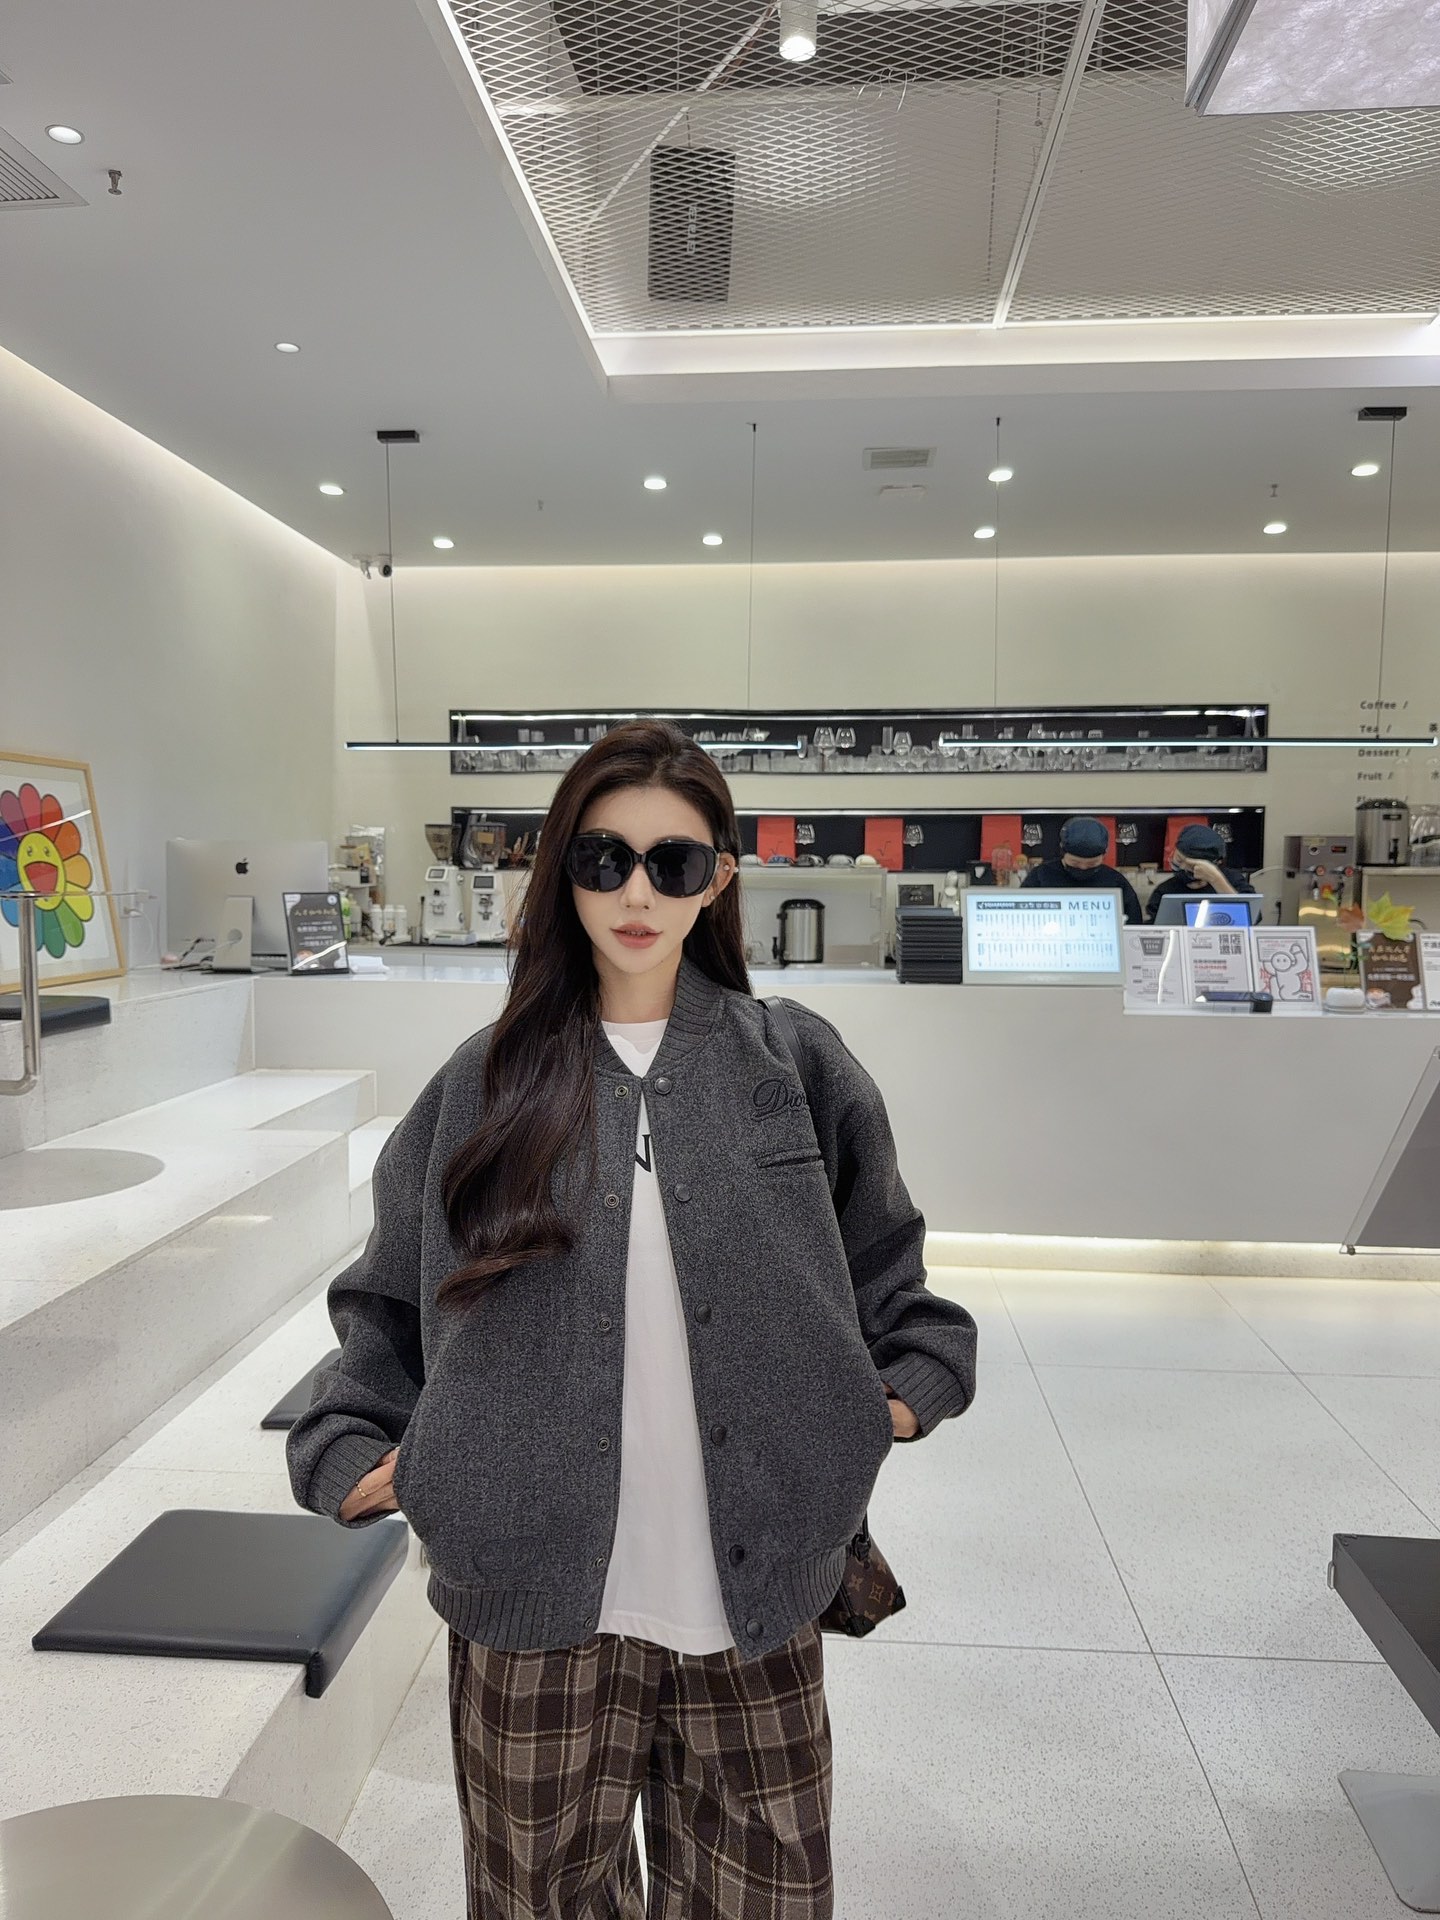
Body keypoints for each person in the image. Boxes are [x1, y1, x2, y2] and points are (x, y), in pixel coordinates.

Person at [286, 718, 978, 1920]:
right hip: (529, 1603)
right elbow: (386, 1301)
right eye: (605, 859)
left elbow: (888, 1273)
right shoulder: (485, 1082)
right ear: (565, 873)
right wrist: (359, 1452)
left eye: (674, 861)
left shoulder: (794, 1066)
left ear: (719, 878)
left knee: (765, 1898)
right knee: (541, 1901)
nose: (637, 893)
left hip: (756, 1601)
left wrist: (887, 1403)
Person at [1021, 815, 1143, 925]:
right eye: (1075, 863)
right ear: (1062, 853)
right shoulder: (1040, 876)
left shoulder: (1116, 882)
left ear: (1104, 856)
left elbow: (1134, 925)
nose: (1083, 867)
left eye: (1092, 864)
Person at [1146, 823, 1250, 922]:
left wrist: (1216, 880)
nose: (1182, 867)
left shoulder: (1233, 881)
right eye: (1179, 860)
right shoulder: (1165, 892)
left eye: (1191, 866)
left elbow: (1249, 918)